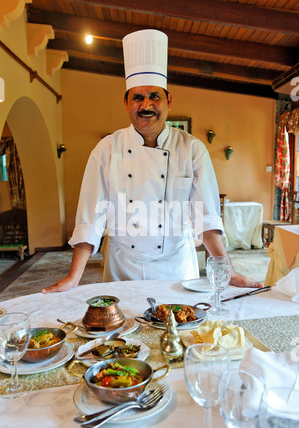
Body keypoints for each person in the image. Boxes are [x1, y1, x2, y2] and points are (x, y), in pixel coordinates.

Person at [42, 30, 262, 293]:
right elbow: (91, 218)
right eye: (138, 97)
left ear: (168, 100)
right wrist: (74, 278)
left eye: (154, 96)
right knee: (122, 331)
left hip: (177, 267)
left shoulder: (192, 148)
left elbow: (207, 219)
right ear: (126, 103)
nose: (146, 105)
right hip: (122, 267)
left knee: (183, 329)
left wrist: (227, 269)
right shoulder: (106, 149)